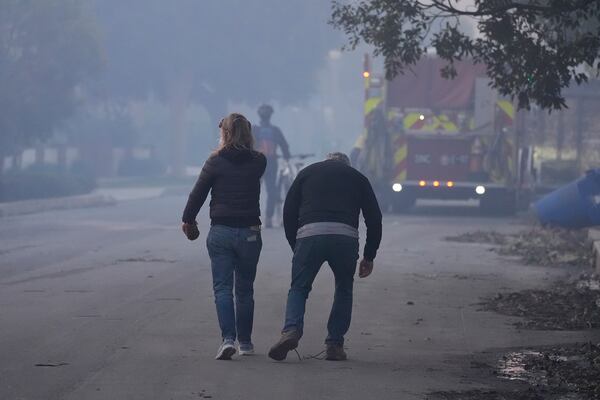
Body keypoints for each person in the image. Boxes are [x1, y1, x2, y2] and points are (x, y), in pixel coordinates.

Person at [268, 152, 383, 361]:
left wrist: (296, 245)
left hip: (309, 235)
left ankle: (291, 330)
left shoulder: (306, 173)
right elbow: (374, 218)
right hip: (345, 237)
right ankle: (334, 345)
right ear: (346, 165)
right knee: (344, 288)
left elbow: (288, 212)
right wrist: (369, 256)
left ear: (326, 161)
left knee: (299, 288)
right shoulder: (357, 178)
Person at [182, 113, 266, 360]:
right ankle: (247, 343)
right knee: (245, 290)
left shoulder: (214, 162)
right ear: (249, 133)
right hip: (250, 231)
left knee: (222, 288)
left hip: (221, 231)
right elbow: (247, 157)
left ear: (224, 133)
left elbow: (197, 195)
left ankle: (228, 340)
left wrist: (188, 220)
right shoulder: (259, 161)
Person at [253, 104, 290, 228]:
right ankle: (268, 217)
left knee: (252, 190)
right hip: (271, 164)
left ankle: (251, 217)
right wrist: (286, 156)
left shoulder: (254, 130)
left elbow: (247, 146)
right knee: (271, 190)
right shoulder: (275, 130)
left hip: (256, 163)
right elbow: (285, 147)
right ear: (271, 116)